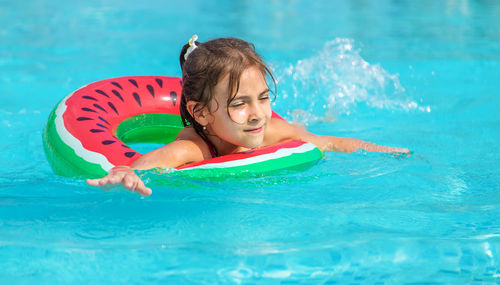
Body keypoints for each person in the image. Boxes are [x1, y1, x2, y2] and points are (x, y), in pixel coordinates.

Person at [87, 35, 409, 196]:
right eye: (240, 103)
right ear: (200, 113)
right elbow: (150, 163)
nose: (257, 114)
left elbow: (327, 143)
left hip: (284, 131)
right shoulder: (194, 148)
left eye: (264, 98)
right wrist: (125, 173)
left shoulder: (265, 129)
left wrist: (383, 152)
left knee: (304, 124)